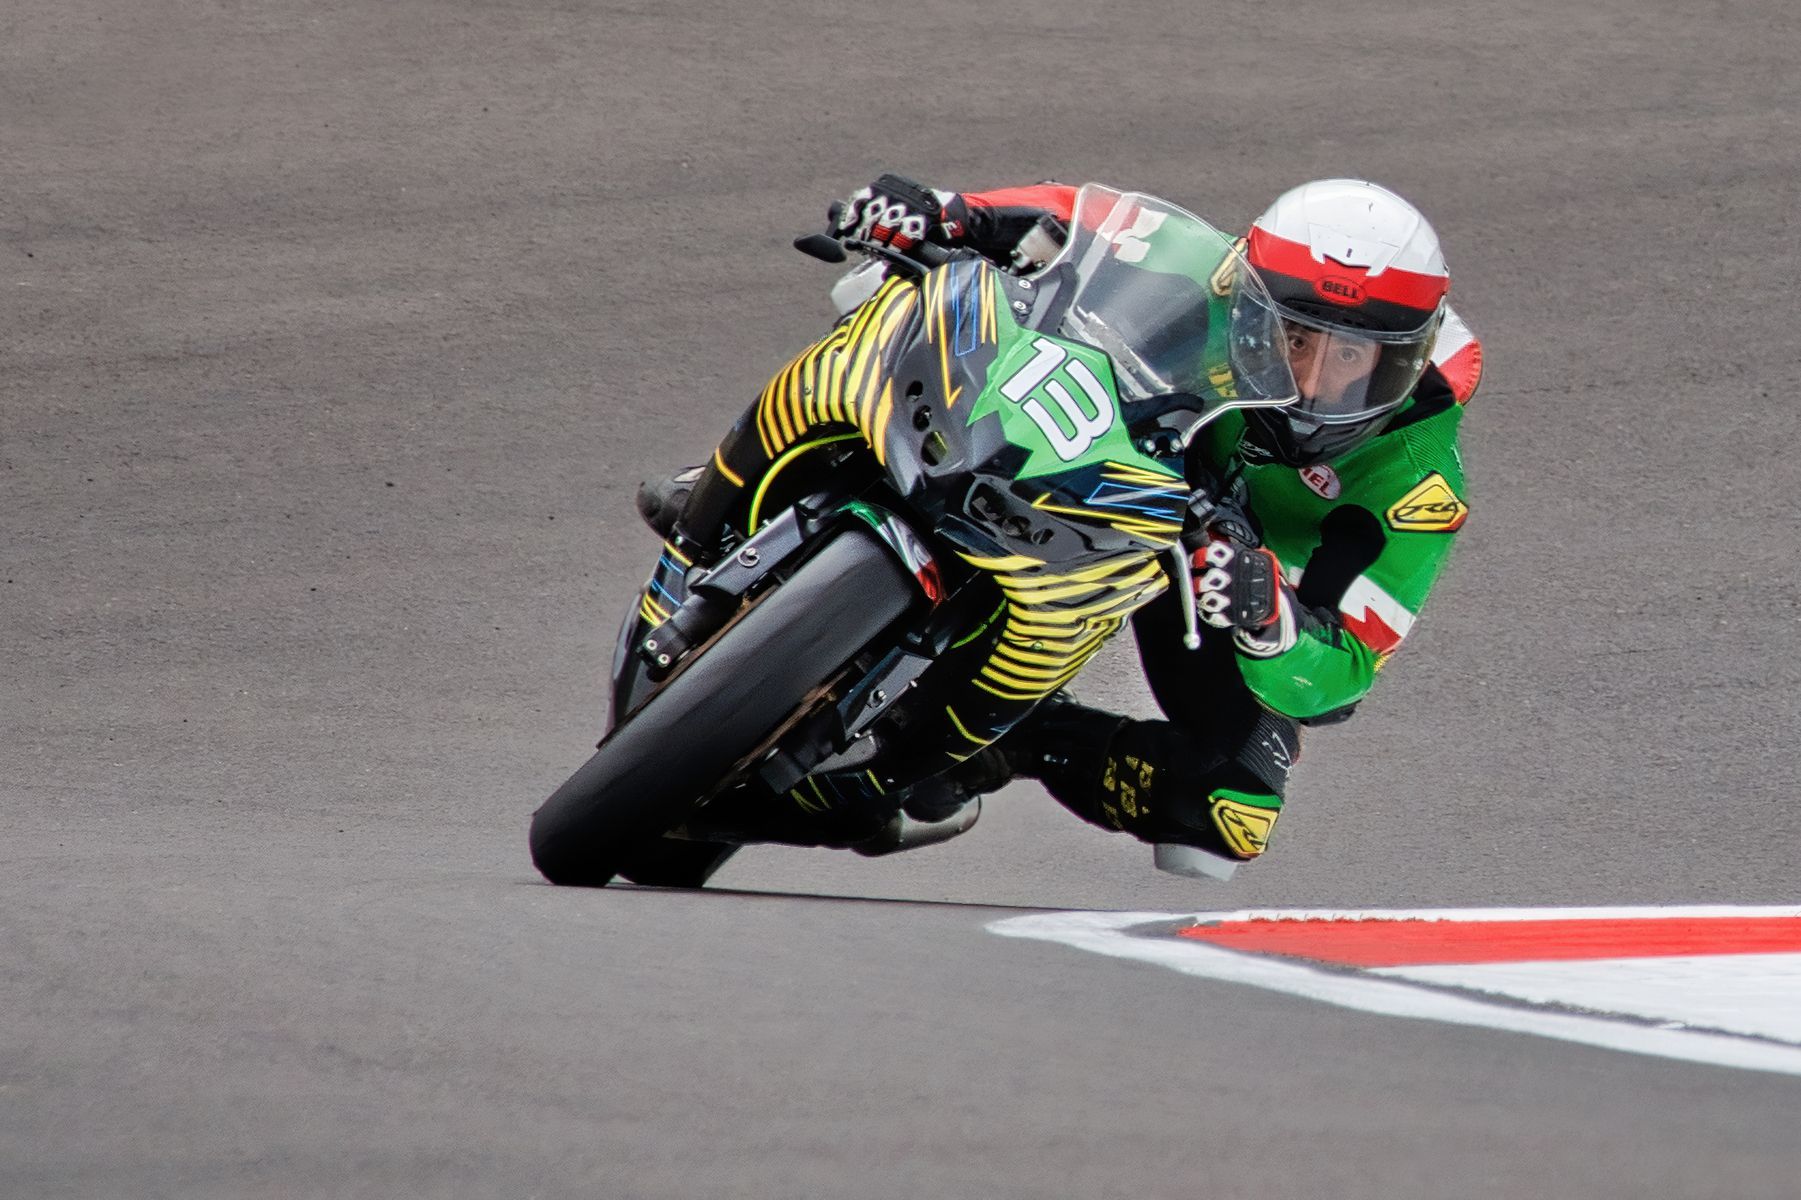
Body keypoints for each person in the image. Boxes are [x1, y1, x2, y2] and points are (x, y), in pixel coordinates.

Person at [639, 174, 1483, 878]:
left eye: (1350, 360)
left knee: (1231, 810)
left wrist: (1269, 618)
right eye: (1293, 337)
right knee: (896, 291)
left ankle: (1013, 741)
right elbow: (1068, 220)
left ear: (1406, 359)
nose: (1308, 379)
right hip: (1120, 436)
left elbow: (1344, 675)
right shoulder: (1204, 266)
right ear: (1247, 291)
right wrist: (946, 210)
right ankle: (738, 476)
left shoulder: (1415, 483)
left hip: (1209, 565)